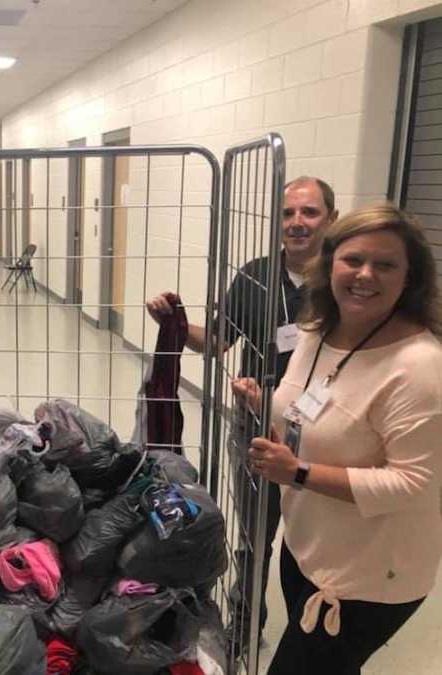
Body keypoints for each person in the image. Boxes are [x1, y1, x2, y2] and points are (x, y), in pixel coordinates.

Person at [243, 204, 442, 673]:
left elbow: (413, 484)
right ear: (330, 262)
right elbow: (313, 406)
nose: (365, 274)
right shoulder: (316, 332)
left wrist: (299, 472)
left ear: (409, 278)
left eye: (386, 264)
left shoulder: (419, 367)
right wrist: (267, 416)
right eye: (353, 259)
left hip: (365, 580)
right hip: (307, 552)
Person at [146, 176, 338, 647]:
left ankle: (310, 629)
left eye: (309, 213)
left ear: (330, 219)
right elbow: (216, 341)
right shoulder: (254, 275)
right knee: (256, 534)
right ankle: (246, 622)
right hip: (257, 426)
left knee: (317, 540)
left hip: (327, 431)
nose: (297, 223)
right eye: (289, 214)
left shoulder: (343, 280)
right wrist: (174, 321)